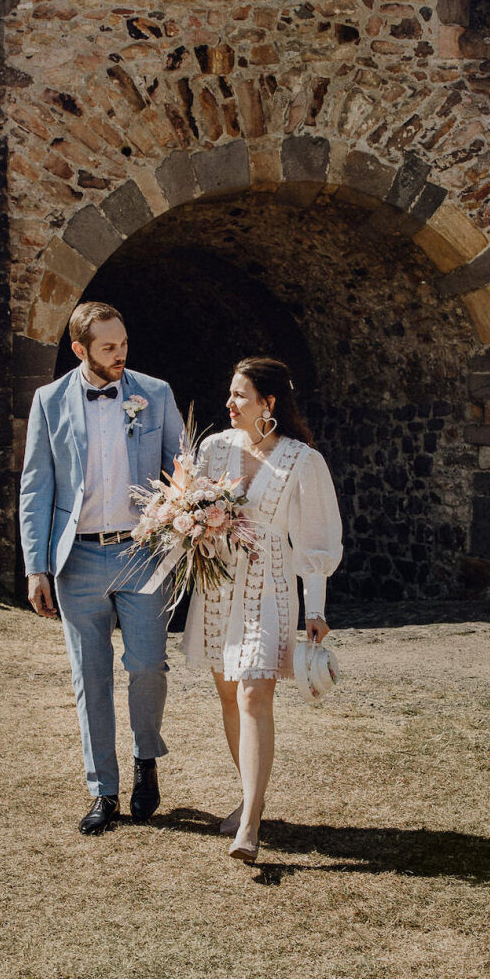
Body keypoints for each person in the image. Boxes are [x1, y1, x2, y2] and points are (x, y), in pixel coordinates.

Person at [20, 301, 184, 836]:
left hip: (142, 554)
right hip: (78, 559)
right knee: (89, 679)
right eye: (109, 347)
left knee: (146, 667)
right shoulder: (48, 401)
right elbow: (36, 487)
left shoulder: (154, 393)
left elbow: (182, 469)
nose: (120, 356)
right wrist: (37, 567)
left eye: (124, 344)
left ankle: (145, 760)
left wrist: (186, 524)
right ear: (80, 349)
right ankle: (102, 791)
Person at [181, 357, 343, 862]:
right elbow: (189, 506)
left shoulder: (302, 460)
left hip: (269, 586)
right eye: (229, 395)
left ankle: (248, 824)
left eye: (240, 396)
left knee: (254, 695)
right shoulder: (212, 449)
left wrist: (314, 609)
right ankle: (252, 796)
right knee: (229, 696)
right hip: (217, 585)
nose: (229, 404)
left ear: (268, 403)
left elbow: (314, 538)